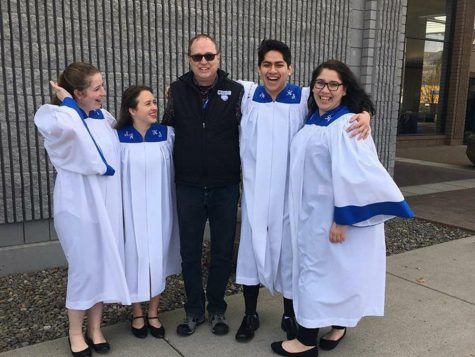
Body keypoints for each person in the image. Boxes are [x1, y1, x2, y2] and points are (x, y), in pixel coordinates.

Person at [270, 60, 414, 357]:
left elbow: (357, 176)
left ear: (344, 89)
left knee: (316, 274)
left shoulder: (347, 124)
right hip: (308, 214)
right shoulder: (315, 119)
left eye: (333, 84)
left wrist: (342, 218)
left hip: (329, 218)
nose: (325, 90)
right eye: (320, 83)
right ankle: (338, 324)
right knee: (330, 274)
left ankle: (306, 341)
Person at [235, 40, 371, 343]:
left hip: (290, 198)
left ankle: (289, 314)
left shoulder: (304, 96)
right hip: (256, 195)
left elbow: (344, 98)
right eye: (267, 65)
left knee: (290, 256)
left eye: (279, 64)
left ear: (290, 68)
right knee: (249, 253)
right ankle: (249, 314)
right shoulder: (246, 96)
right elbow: (209, 81)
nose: (273, 71)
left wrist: (365, 116)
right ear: (259, 68)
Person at [34, 62, 130, 357]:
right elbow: (87, 150)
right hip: (78, 205)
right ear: (78, 93)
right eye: (97, 88)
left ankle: (95, 328)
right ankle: (75, 332)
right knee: (84, 267)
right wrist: (67, 104)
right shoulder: (57, 118)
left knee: (100, 265)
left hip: (106, 204)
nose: (104, 92)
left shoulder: (103, 117)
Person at [161, 34, 244, 336]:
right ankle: (194, 310)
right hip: (189, 186)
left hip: (225, 186)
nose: (204, 62)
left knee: (222, 251)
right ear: (189, 60)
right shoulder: (177, 92)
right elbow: (165, 131)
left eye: (209, 56)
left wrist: (363, 111)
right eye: (198, 57)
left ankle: (218, 309)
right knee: (190, 252)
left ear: (219, 58)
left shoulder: (236, 93)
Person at [115, 85, 181, 339]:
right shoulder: (118, 138)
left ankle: (153, 311)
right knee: (134, 256)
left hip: (160, 209)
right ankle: (137, 312)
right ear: (131, 110)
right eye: (147, 103)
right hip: (130, 211)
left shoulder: (166, 135)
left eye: (154, 102)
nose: (154, 107)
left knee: (157, 258)